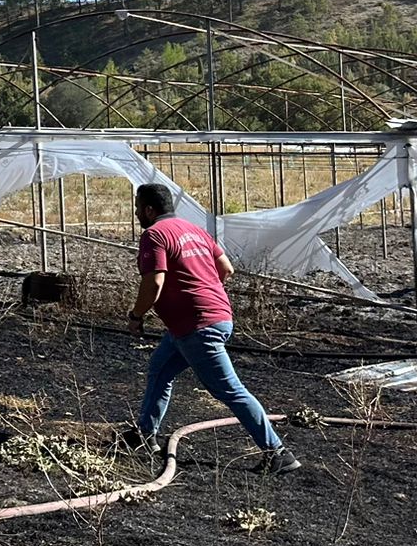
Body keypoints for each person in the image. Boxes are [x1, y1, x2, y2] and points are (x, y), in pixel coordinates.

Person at [121, 182, 300, 474]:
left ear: (149, 209)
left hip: (197, 327)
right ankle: (144, 435)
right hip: (210, 319)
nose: (137, 212)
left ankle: (278, 453)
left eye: (138, 207)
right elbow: (226, 268)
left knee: (230, 390)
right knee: (160, 369)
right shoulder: (194, 231)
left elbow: (154, 282)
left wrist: (136, 315)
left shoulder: (154, 235)